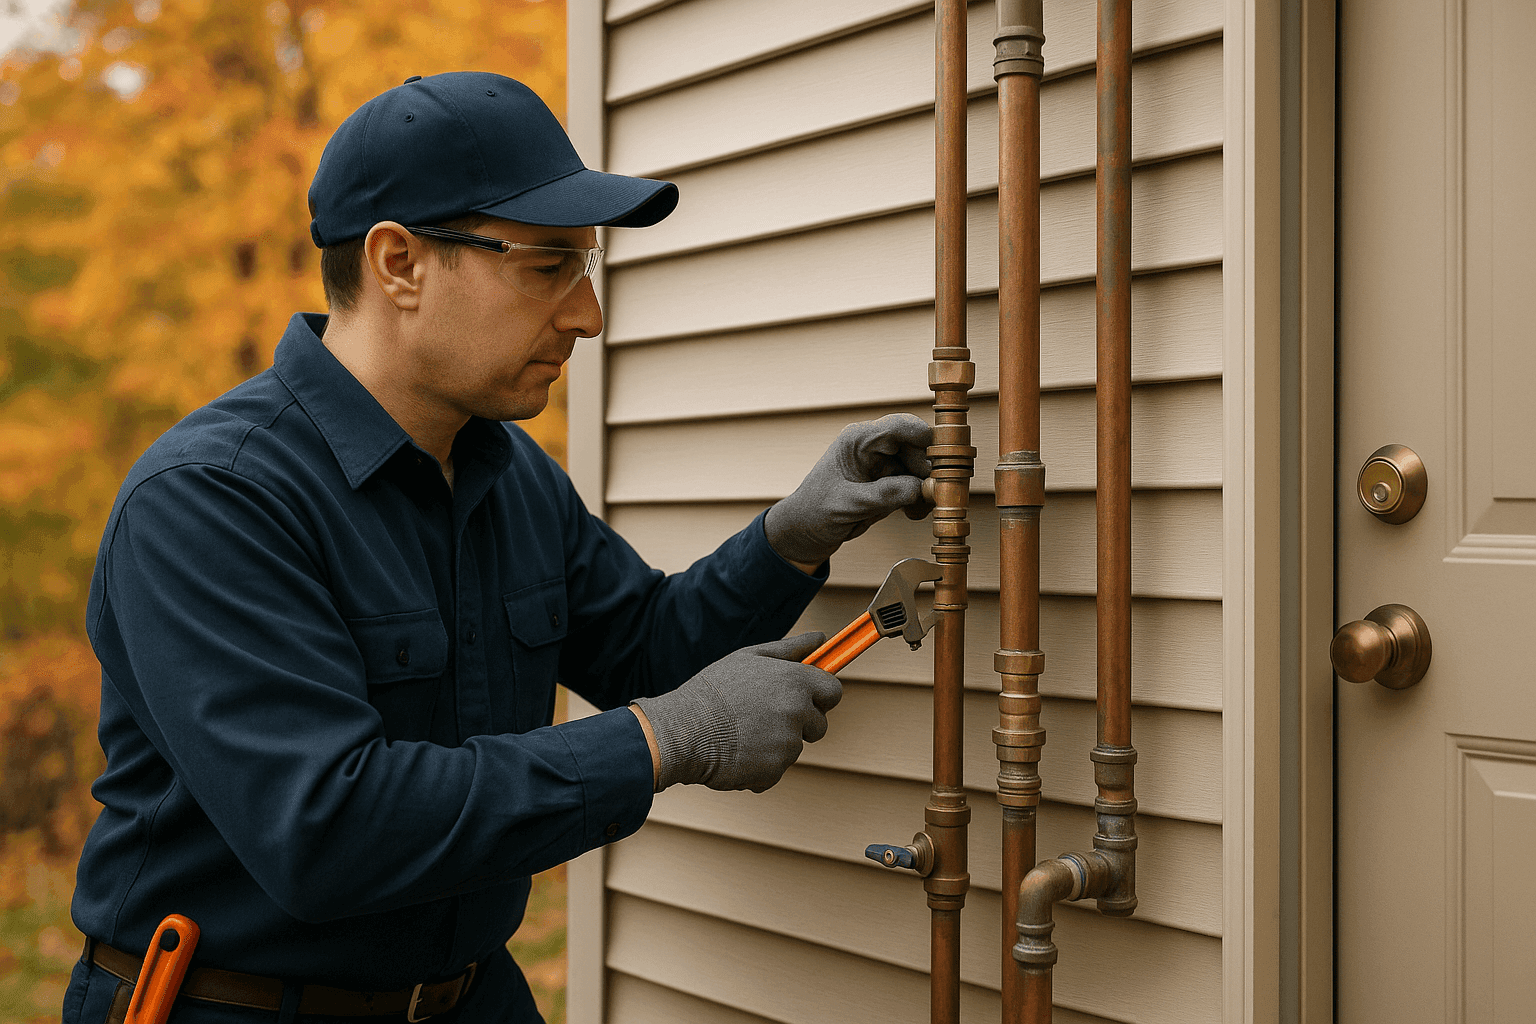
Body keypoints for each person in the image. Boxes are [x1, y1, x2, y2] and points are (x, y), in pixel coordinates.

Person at [61, 72, 932, 1024]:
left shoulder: (508, 475)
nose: (587, 314)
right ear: (399, 263)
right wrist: (663, 740)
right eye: (547, 266)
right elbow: (328, 831)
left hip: (473, 997)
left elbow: (648, 650)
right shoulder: (213, 499)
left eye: (586, 268)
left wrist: (792, 536)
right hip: (235, 1007)